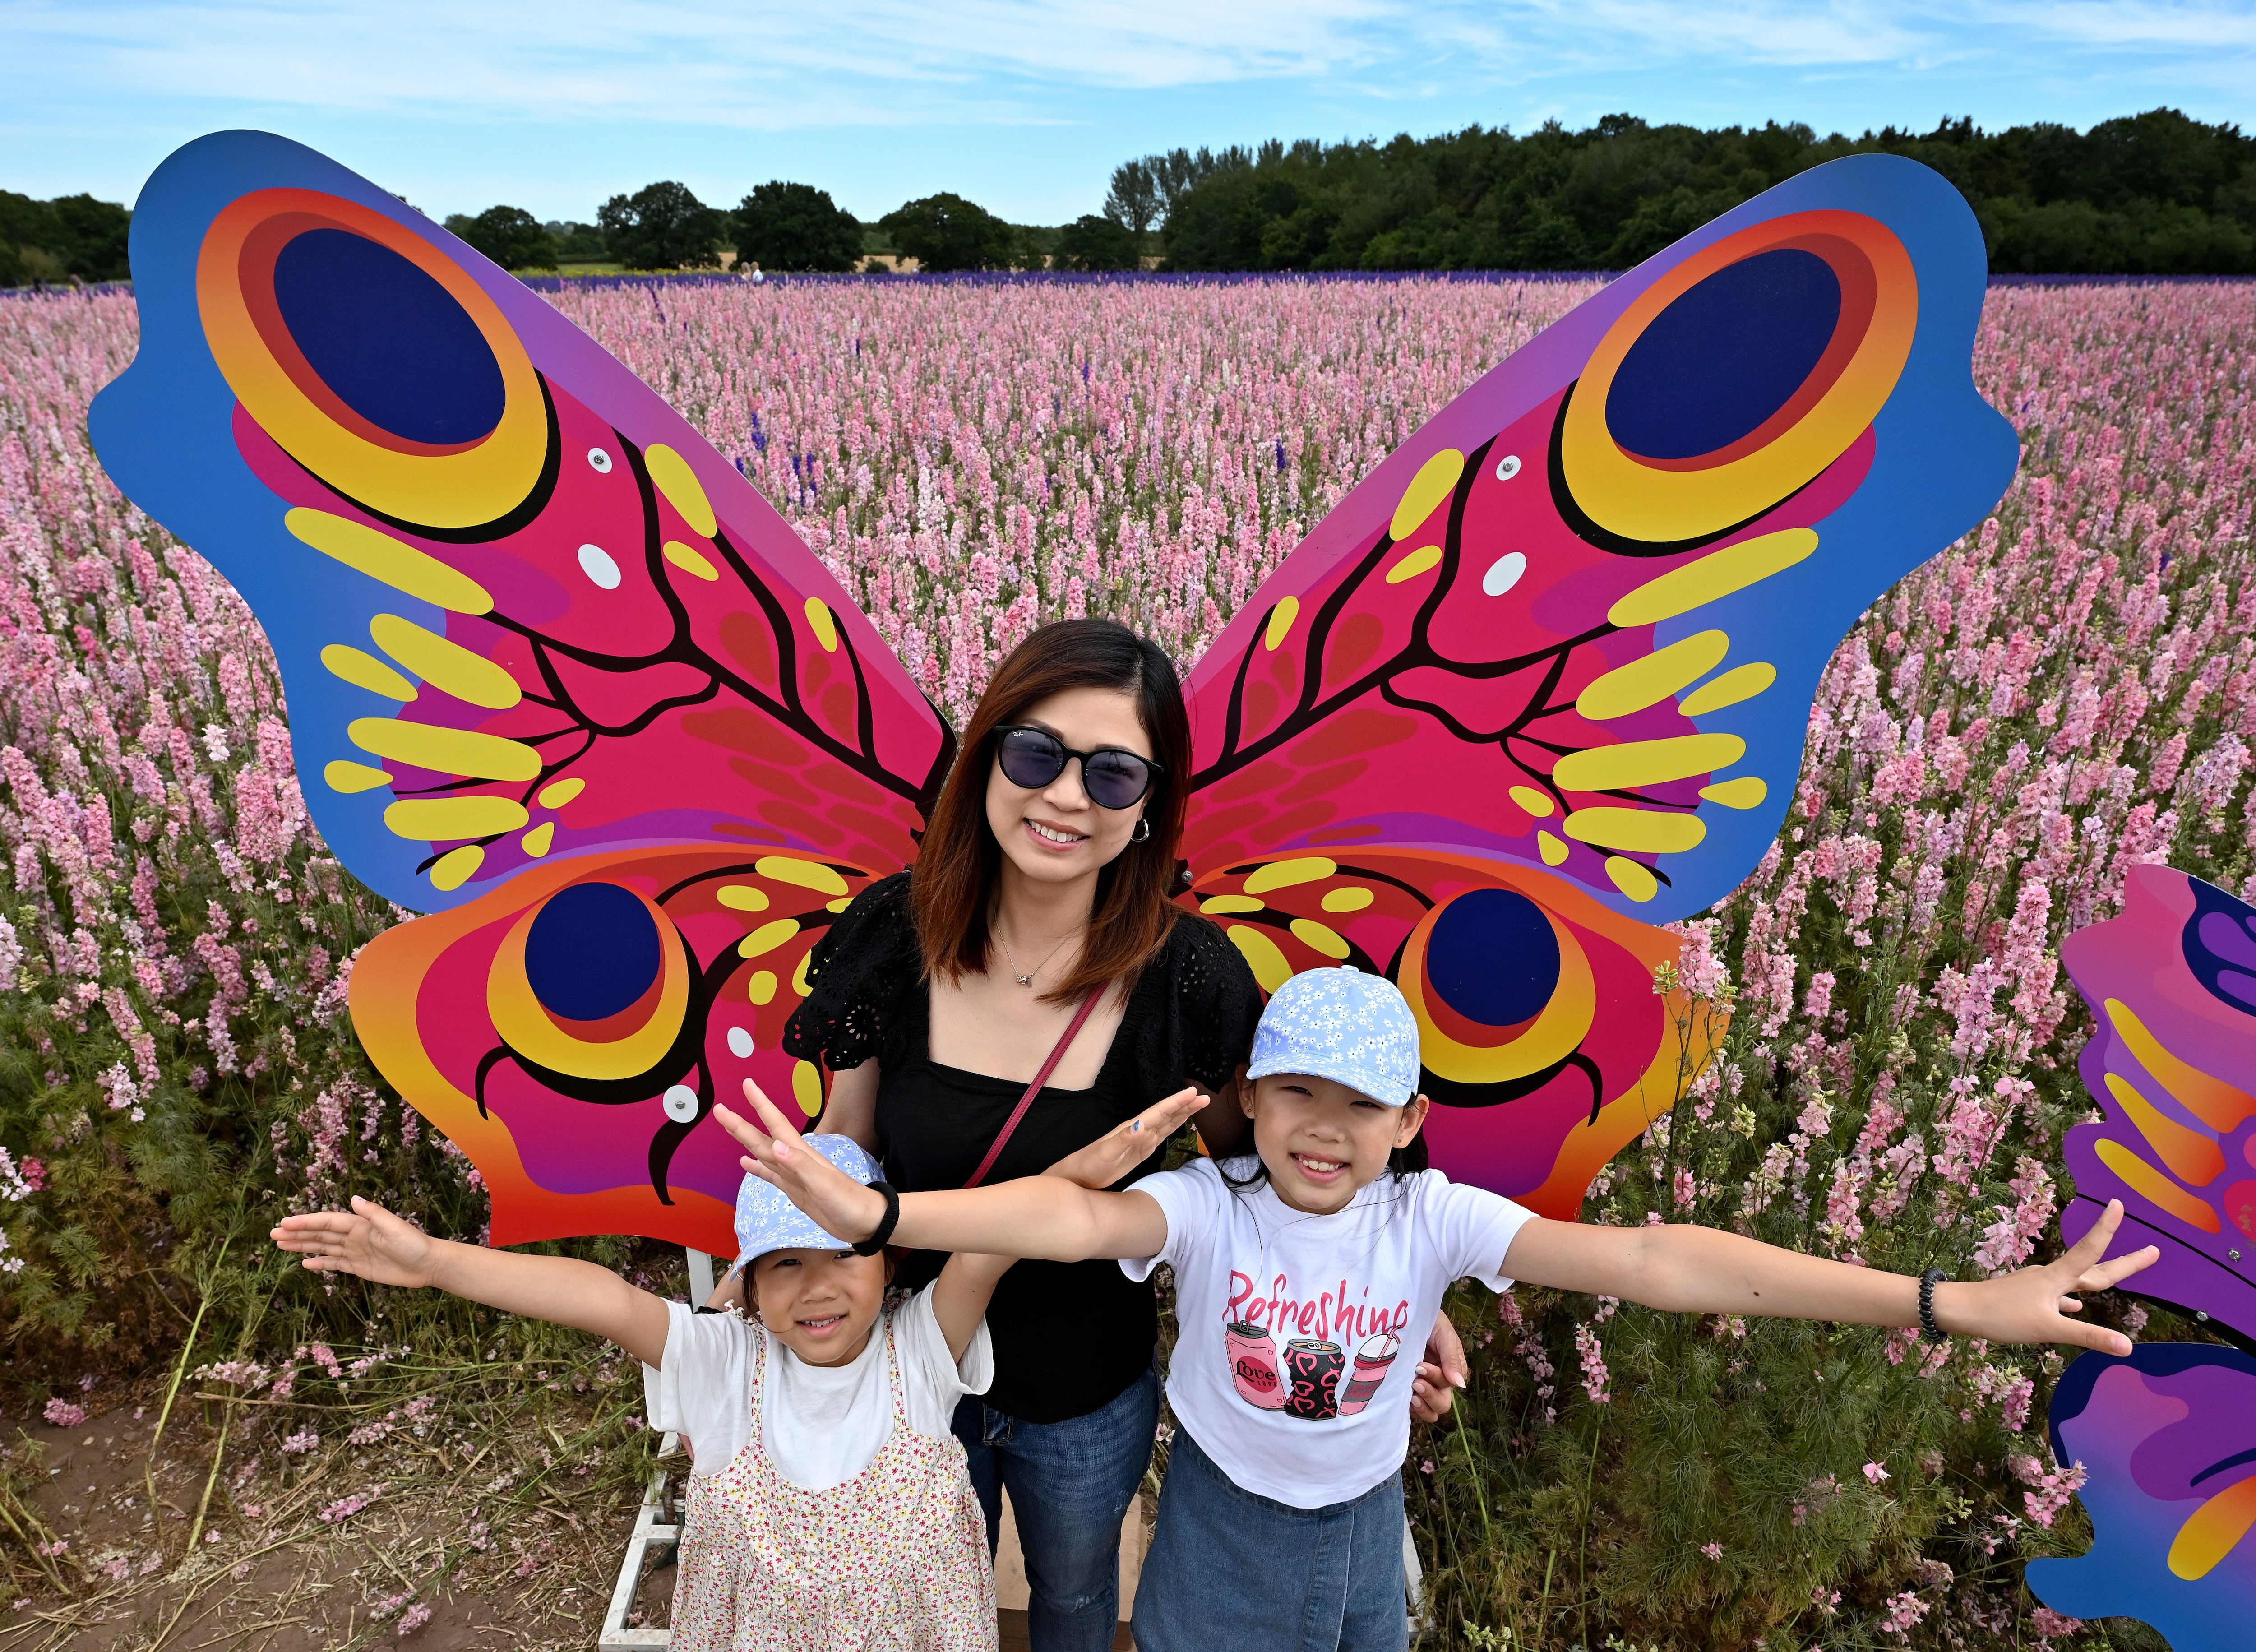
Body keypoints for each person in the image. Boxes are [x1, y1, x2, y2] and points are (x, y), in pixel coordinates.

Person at [719, 967, 2162, 1652]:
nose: (1322, 1129)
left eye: (1361, 1103)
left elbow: (1668, 1258)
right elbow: (1068, 1217)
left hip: (1361, 1533)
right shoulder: (1211, 1211)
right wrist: (885, 1218)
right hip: (1221, 1537)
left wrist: (1956, 1297)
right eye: (1294, 1093)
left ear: (1412, 1120)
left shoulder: (1438, 1222)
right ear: (1252, 1098)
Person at [771, 618, 1468, 1650]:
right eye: (1034, 752)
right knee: (919, 1599)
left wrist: (1392, 1284)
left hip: (1087, 1397)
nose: (1063, 797)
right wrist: (780, 1274)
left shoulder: (1188, 979)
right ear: (985, 758)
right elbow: (847, 1143)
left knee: (1076, 1593)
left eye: (1111, 775)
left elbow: (1274, 1160)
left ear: (1149, 806)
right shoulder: (892, 933)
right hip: (911, 1369)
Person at [272, 1135, 1007, 1649]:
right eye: (784, 1262)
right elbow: (607, 1300)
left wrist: (1095, 1161)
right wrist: (435, 1260)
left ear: (889, 1261)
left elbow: (998, 1237)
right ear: (747, 1285)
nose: (818, 1285)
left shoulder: (918, 1347)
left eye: (846, 1252)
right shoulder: (724, 1362)